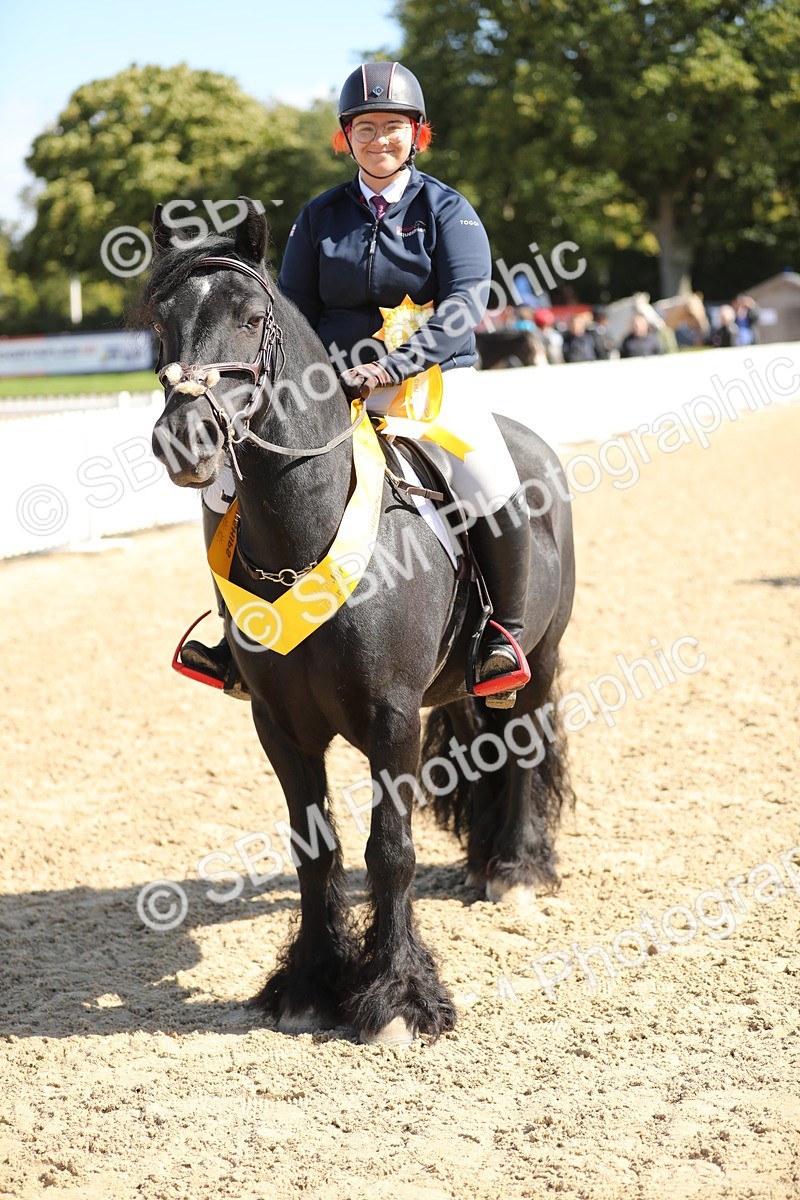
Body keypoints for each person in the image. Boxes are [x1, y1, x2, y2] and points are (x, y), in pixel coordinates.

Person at [182, 62, 531, 704]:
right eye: (364, 128)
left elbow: (462, 306)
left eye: (392, 127)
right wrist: (308, 380)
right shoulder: (319, 217)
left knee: (492, 478)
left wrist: (392, 367)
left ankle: (501, 637)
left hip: (429, 385)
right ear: (346, 137)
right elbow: (290, 313)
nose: (379, 140)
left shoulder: (448, 211)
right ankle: (239, 640)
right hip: (329, 390)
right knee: (225, 482)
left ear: (417, 133)